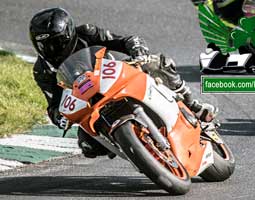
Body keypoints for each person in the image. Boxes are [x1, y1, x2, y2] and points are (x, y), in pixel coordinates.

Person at [29, 7, 218, 158]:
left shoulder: (86, 33)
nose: (52, 48)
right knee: (88, 147)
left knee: (157, 63)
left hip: (115, 78)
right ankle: (140, 152)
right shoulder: (42, 70)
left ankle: (193, 106)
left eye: (58, 41)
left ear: (69, 34)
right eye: (44, 45)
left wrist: (137, 50)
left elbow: (125, 41)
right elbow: (53, 104)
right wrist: (59, 117)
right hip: (89, 103)